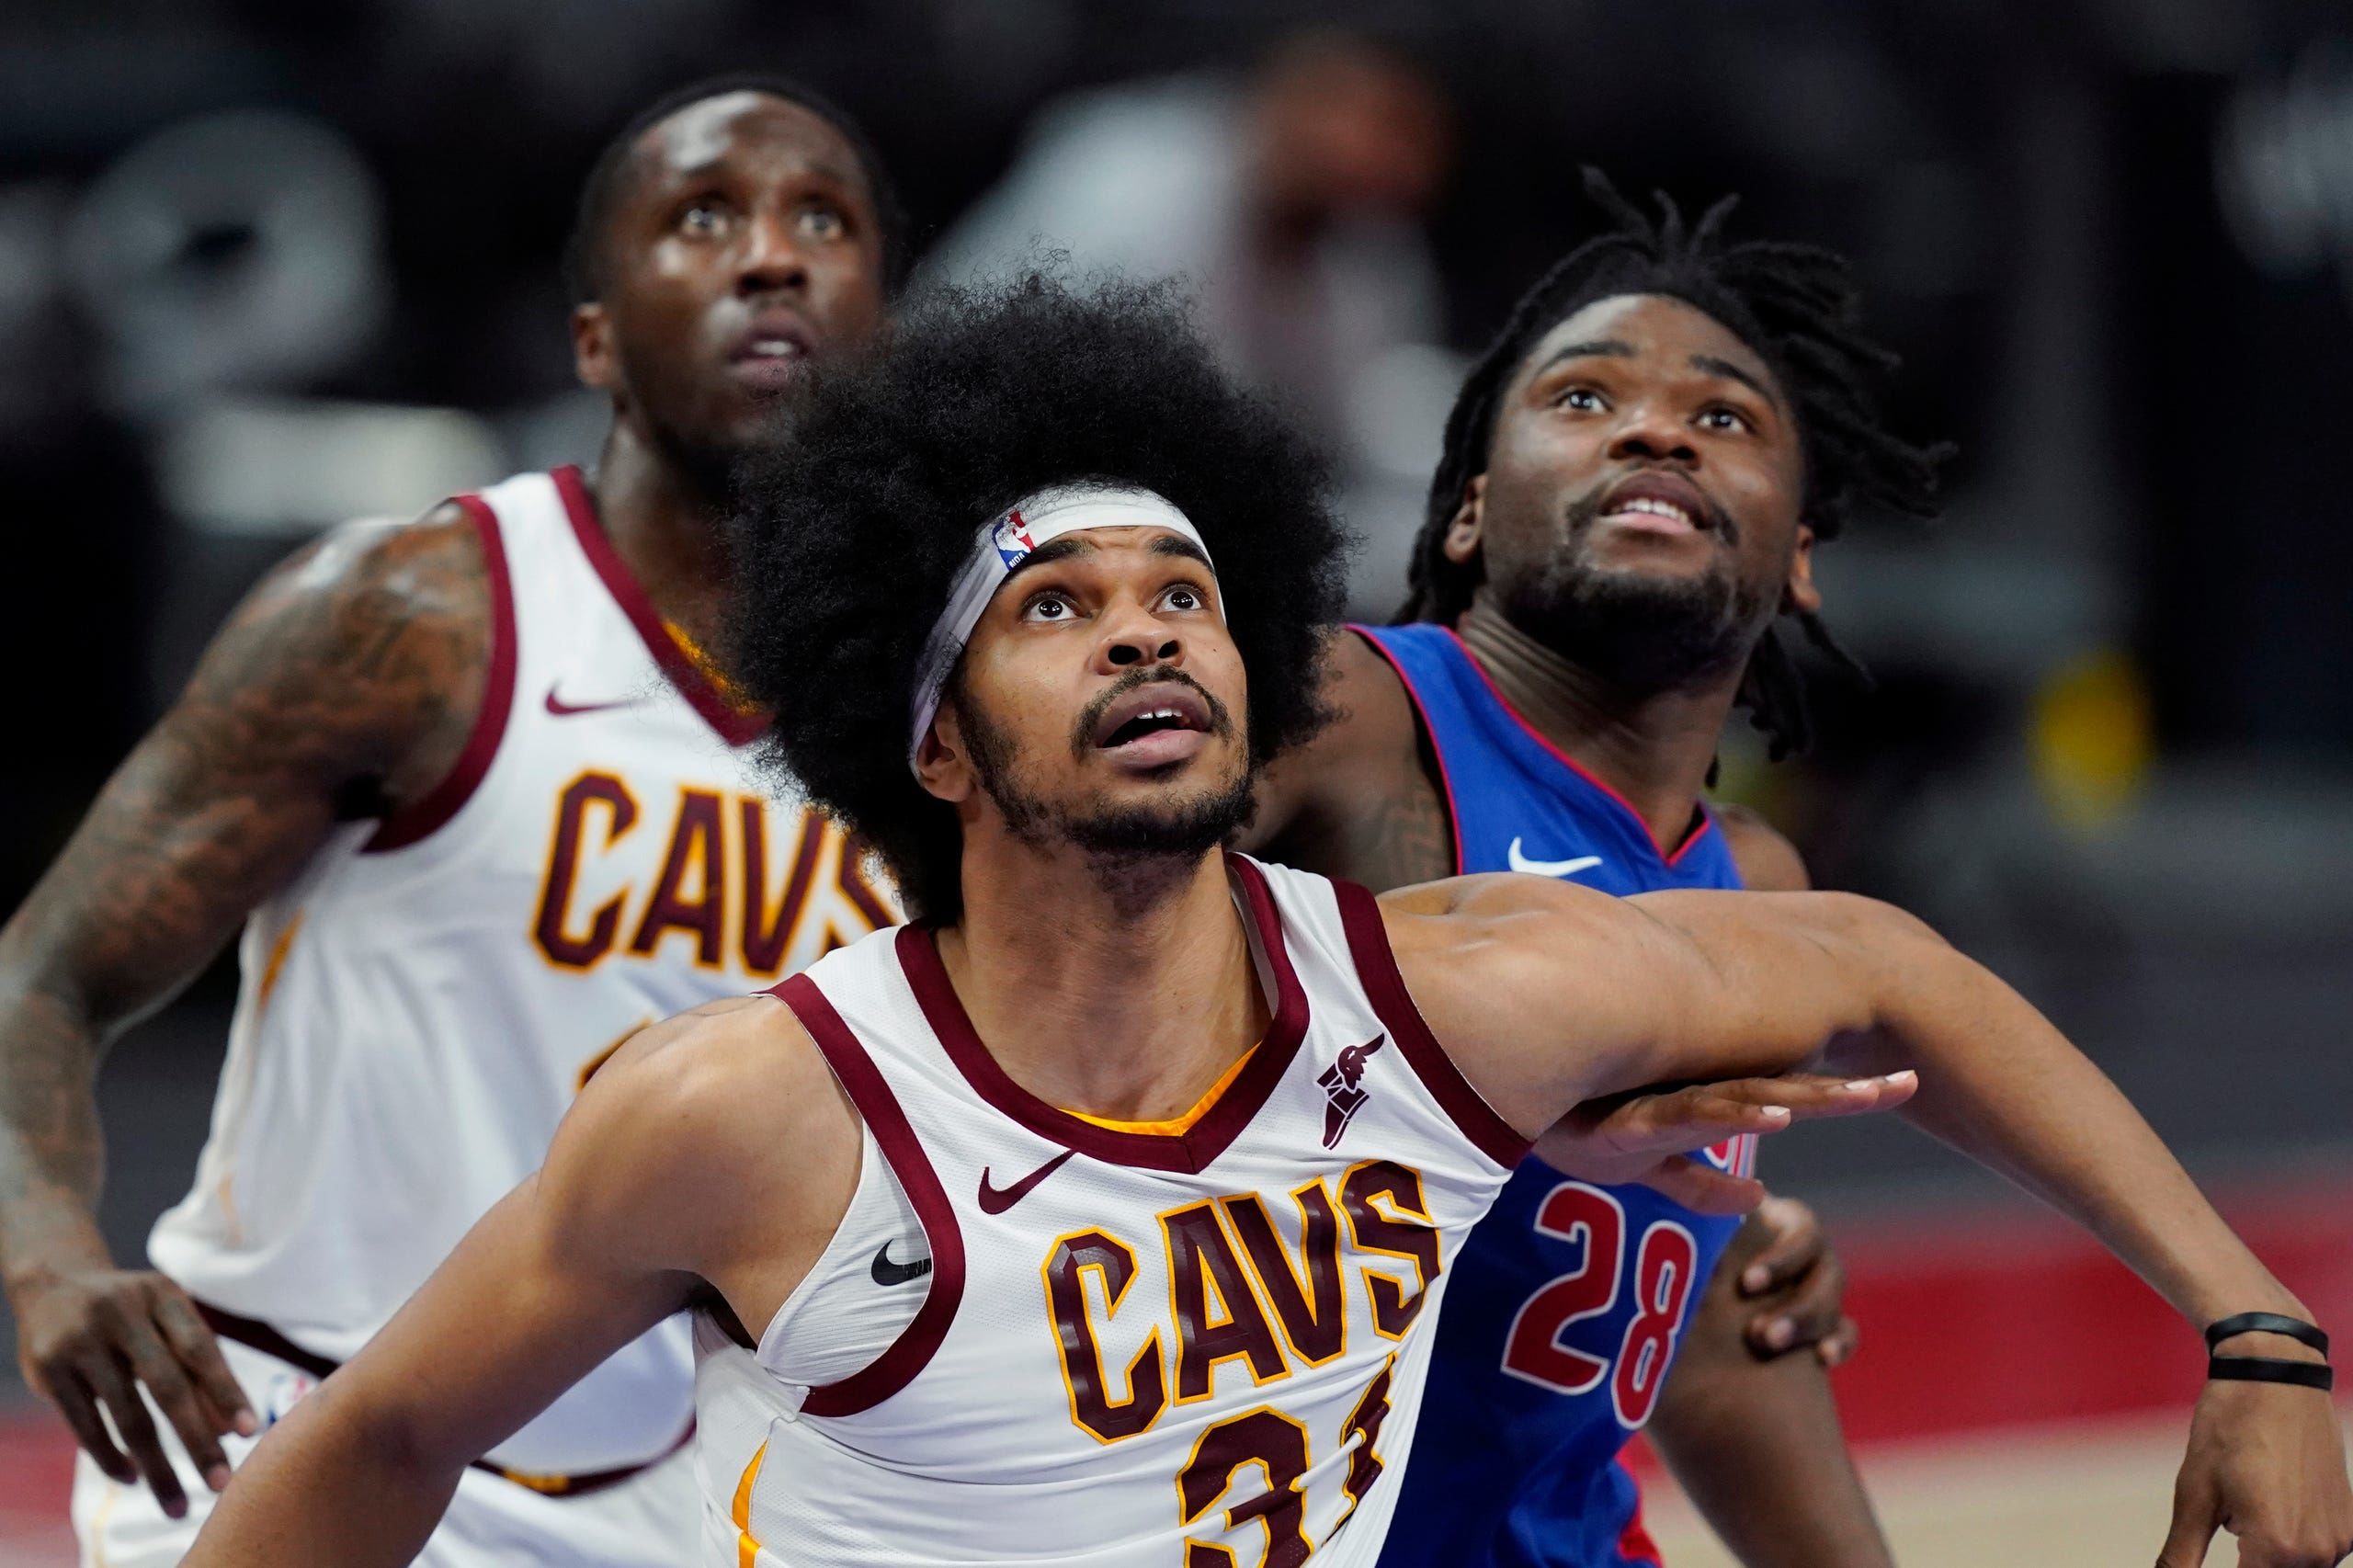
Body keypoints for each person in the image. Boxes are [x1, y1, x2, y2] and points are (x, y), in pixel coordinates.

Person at [177, 273, 2347, 1568]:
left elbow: (1886, 976)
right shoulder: (764, 1102)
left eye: (1181, 597)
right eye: (1056, 607)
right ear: (931, 738)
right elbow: (378, 1441)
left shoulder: (1477, 1000)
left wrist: (2252, 1332)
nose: (1144, 635)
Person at [0, 74, 902, 1567]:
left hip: (674, 1492)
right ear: (594, 337)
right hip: (285, 1437)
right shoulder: (413, 618)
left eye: (824, 220)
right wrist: (46, 1267)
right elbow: (41, 973)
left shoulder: (936, 714)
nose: (770, 256)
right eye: (703, 218)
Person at [1243, 176, 1941, 1566]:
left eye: (1723, 418)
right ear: (1467, 512)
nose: (1656, 428)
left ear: (1799, 558)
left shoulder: (1759, 881)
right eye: (1582, 397)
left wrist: (1728, 1255)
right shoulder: (1345, 713)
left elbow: (1714, 1360)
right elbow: (1036, 988)